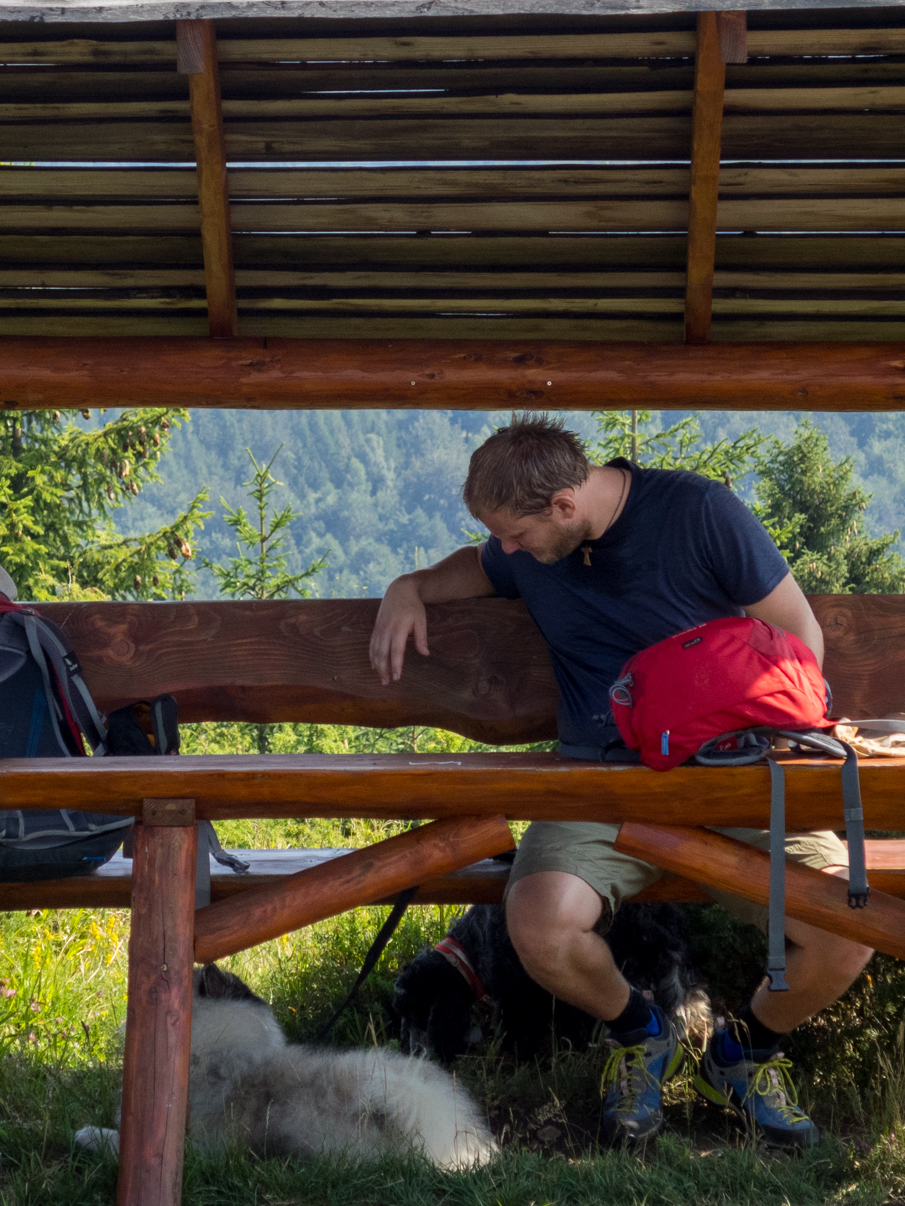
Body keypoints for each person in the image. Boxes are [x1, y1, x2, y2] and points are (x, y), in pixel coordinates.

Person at [368, 414, 872, 1149]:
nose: (505, 551)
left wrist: (709, 706)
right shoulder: (532, 547)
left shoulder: (701, 512)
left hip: (731, 776)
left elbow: (801, 638)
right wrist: (408, 586)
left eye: (514, 534)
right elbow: (477, 567)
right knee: (538, 921)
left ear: (563, 507)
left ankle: (744, 1054)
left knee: (848, 929)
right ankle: (642, 1036)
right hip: (601, 784)